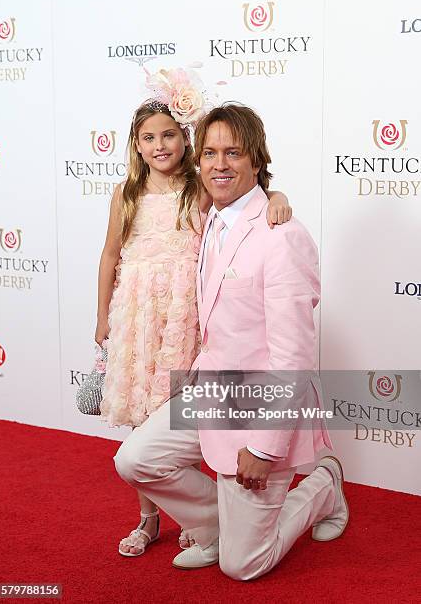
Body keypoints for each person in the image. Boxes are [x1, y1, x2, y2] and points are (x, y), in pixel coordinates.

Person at [113, 103, 349, 580]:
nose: (220, 164)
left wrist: (263, 449)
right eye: (210, 153)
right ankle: (218, 526)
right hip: (214, 391)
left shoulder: (282, 236)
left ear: (257, 160)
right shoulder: (208, 218)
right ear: (197, 162)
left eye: (234, 153)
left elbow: (293, 358)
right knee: (136, 460)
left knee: (243, 566)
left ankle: (323, 485)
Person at [95, 69, 293, 557]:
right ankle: (147, 518)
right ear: (136, 146)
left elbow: (243, 200)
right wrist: (102, 318)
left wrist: (278, 197)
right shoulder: (126, 194)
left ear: (185, 140)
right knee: (140, 423)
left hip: (184, 318)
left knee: (187, 418)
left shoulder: (198, 187)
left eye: (168, 135)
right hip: (138, 317)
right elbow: (109, 255)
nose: (159, 145)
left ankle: (195, 515)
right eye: (148, 138)